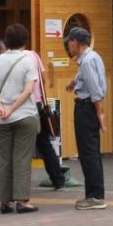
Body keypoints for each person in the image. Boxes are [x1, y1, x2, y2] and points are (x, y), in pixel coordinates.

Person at [0, 24, 40, 214]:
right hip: (24, 115)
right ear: (24, 41)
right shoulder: (27, 61)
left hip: (1, 119)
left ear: (6, 41)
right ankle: (22, 201)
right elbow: (28, 90)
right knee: (21, 159)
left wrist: (1, 107)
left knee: (4, 159)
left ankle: (4, 201)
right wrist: (12, 108)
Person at [64, 26, 108, 210]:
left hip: (87, 108)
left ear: (76, 42)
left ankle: (95, 196)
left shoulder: (87, 61)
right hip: (88, 107)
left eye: (70, 42)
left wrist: (99, 114)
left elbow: (95, 90)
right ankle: (93, 194)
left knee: (88, 153)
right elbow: (88, 79)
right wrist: (73, 82)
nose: (68, 45)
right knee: (91, 152)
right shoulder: (92, 57)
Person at [27, 47, 71, 191]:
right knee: (45, 145)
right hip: (38, 105)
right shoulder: (33, 55)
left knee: (20, 148)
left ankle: (18, 185)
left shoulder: (6, 58)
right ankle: (58, 181)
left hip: (18, 108)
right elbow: (43, 79)